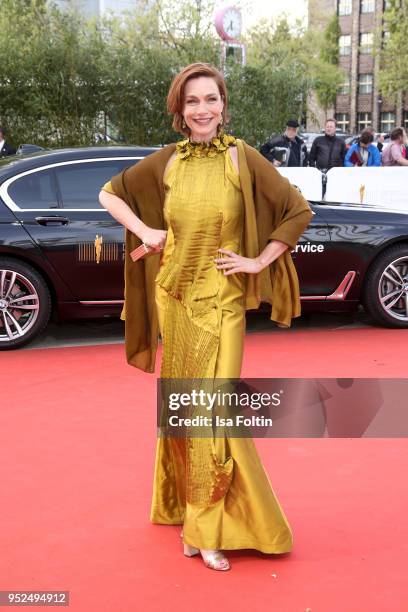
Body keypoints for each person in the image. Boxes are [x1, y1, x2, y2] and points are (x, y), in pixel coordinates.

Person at [98, 63, 312, 572]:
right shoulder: (167, 162)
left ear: (223, 104)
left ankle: (206, 526)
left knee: (212, 413)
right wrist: (147, 232)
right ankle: (190, 515)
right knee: (186, 411)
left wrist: (258, 261)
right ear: (180, 110)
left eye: (210, 99)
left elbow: (296, 209)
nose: (202, 110)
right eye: (191, 101)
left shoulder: (242, 158)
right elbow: (111, 193)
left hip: (223, 304)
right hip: (174, 300)